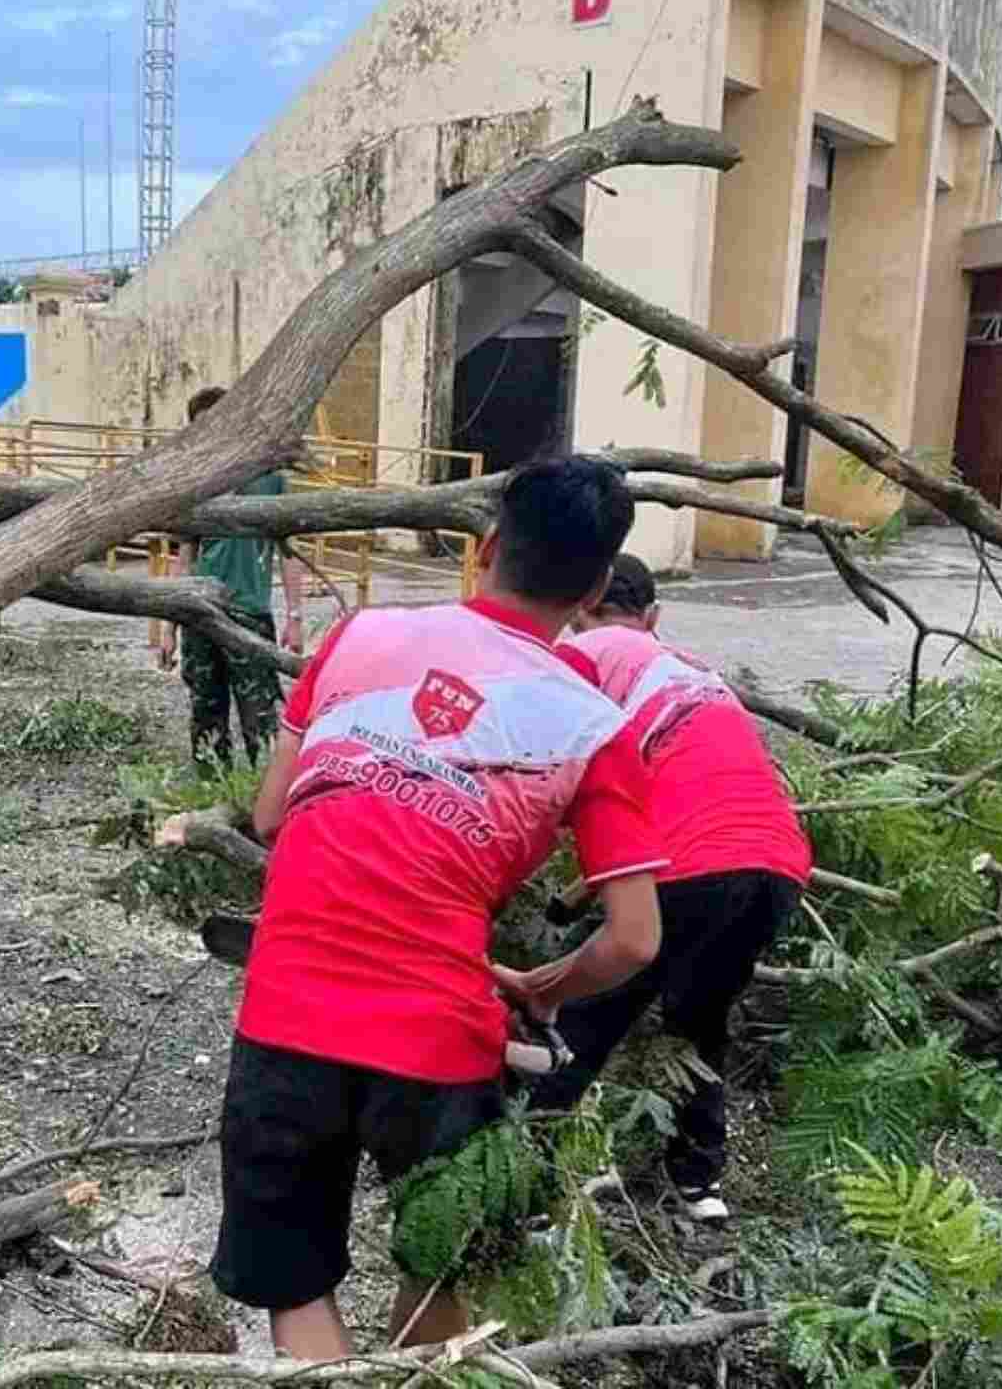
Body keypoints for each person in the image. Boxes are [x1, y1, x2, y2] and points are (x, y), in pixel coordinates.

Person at [212, 456, 667, 1359]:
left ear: (488, 547)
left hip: (289, 1013)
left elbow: (271, 816)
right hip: (439, 1041)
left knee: (295, 1281)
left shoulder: (361, 637)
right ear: (594, 590)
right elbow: (635, 939)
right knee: (438, 1269)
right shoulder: (592, 724)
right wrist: (546, 987)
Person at [527, 553, 813, 1222]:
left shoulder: (585, 653)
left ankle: (526, 1194)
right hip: (776, 864)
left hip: (691, 864)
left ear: (580, 607)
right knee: (699, 1021)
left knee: (581, 1019)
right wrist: (577, 893)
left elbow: (551, 773)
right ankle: (698, 1184)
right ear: (652, 617)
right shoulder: (694, 673)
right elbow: (665, 803)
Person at [158, 386, 306, 772]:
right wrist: (166, 628)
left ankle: (265, 802)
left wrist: (295, 617)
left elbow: (290, 554)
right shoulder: (193, 485)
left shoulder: (269, 478)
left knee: (261, 716)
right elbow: (183, 559)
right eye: (201, 428)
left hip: (250, 613)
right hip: (199, 613)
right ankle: (210, 792)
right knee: (206, 710)